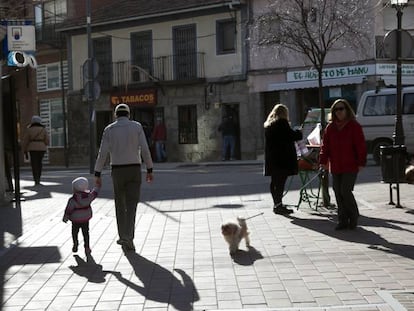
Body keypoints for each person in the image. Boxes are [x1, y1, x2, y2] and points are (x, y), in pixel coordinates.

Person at [94, 103, 154, 253]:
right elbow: (145, 149)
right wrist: (149, 169)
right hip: (134, 169)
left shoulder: (109, 129)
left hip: (117, 170)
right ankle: (129, 237)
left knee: (120, 205)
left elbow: (102, 153)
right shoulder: (137, 127)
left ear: (116, 115)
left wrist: (97, 173)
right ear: (128, 114)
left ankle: (123, 235)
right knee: (132, 205)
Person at [319, 99, 367, 230]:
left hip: (350, 165)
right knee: (337, 192)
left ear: (347, 110)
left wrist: (361, 162)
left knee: (345, 191)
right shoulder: (330, 127)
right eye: (336, 109)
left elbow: (361, 146)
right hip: (336, 165)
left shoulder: (354, 126)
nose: (339, 112)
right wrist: (323, 161)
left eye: (341, 109)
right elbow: (325, 146)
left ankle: (353, 216)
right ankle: (342, 220)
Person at [264, 104, 302, 214]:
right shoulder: (282, 123)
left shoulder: (269, 125)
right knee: (280, 183)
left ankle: (277, 204)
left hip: (272, 159)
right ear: (284, 113)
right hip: (282, 159)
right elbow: (293, 136)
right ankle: (278, 206)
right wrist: (299, 132)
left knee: (274, 183)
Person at [63, 177, 100, 254]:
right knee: (86, 233)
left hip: (75, 220)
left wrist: (66, 217)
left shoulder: (72, 200)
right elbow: (95, 194)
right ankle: (87, 247)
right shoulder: (89, 196)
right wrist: (97, 186)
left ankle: (75, 244)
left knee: (74, 232)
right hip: (85, 219)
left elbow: (69, 209)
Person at [22, 115, 49, 186]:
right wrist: (44, 144)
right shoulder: (43, 129)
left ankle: (36, 179)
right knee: (39, 163)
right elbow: (47, 140)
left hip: (32, 148)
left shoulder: (29, 129)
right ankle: (39, 179)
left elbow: (25, 140)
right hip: (41, 147)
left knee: (34, 164)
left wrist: (24, 149)